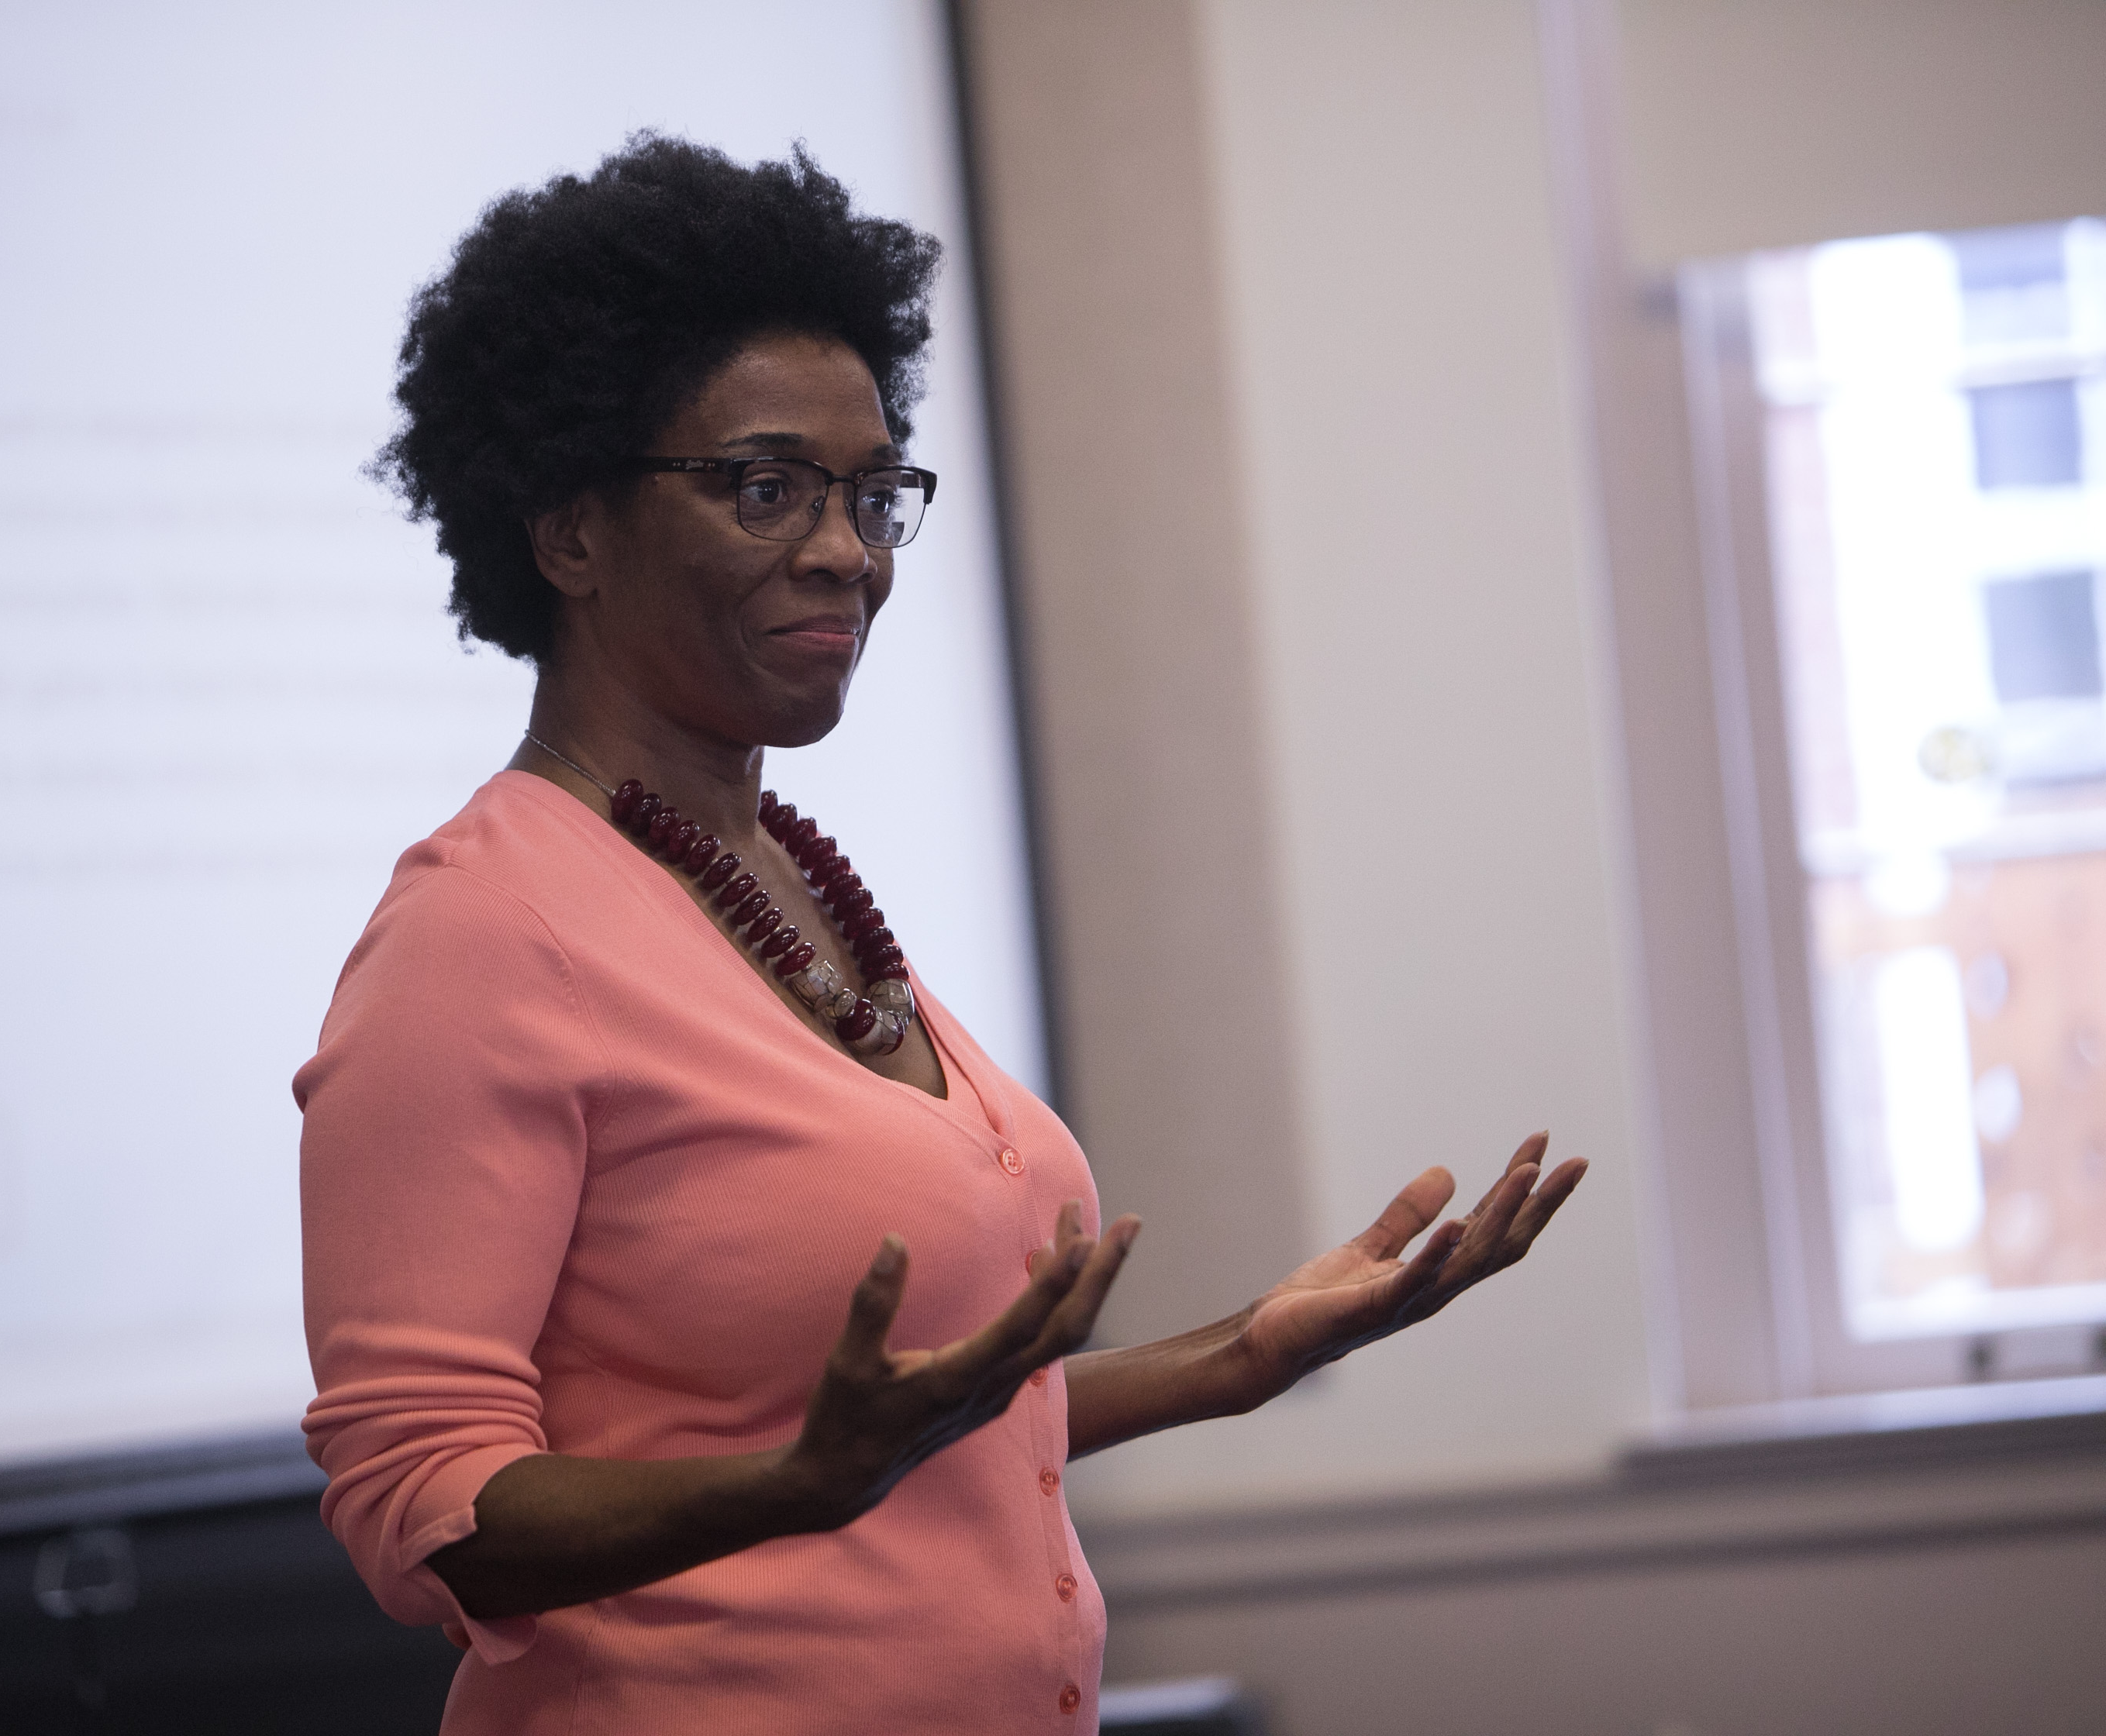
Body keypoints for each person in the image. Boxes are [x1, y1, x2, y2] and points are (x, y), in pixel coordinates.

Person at [297, 136, 1585, 1734]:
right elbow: (424, 1500)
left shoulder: (773, 878)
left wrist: (1239, 1353)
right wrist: (785, 1487)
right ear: (568, 532)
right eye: (765, 486)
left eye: (870, 491)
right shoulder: (481, 935)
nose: (847, 548)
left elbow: (934, 1418)